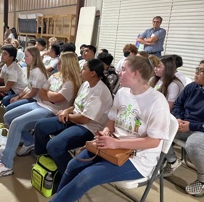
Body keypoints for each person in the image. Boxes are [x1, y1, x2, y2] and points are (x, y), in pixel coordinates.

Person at [51, 56, 171, 202]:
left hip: (138, 159)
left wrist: (117, 143)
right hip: (111, 146)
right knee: (73, 165)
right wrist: (107, 132)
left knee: (87, 176)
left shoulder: (157, 101)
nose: (119, 72)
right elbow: (112, 120)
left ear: (136, 73)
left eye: (124, 69)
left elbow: (153, 142)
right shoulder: (122, 92)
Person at [0, 52, 82, 180]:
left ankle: (6, 164)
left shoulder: (70, 83)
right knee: (8, 116)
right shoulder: (55, 76)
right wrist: (48, 94)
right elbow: (42, 93)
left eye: (60, 63)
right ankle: (29, 141)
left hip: (51, 110)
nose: (57, 64)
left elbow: (57, 99)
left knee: (16, 123)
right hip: (40, 104)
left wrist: (48, 94)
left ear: (68, 64)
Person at [34, 59, 113, 174]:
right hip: (74, 118)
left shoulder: (99, 91)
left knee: (54, 145)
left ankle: (71, 174)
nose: (80, 71)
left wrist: (68, 115)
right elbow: (76, 106)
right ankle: (47, 157)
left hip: (89, 128)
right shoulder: (86, 84)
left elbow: (84, 119)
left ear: (93, 73)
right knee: (40, 126)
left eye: (84, 68)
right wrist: (66, 110)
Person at [163, 60, 204, 196]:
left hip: (199, 130)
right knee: (160, 128)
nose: (196, 73)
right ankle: (172, 160)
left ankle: (202, 179)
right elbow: (178, 105)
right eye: (197, 69)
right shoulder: (192, 87)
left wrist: (191, 126)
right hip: (184, 125)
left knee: (193, 145)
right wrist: (178, 119)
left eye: (201, 71)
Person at [0, 45, 27, 118]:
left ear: (11, 57)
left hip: (17, 92)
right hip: (9, 90)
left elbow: (6, 88)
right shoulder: (5, 66)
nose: (2, 56)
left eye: (5, 54)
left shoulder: (14, 69)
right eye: (2, 53)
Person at [6, 46, 49, 111]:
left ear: (34, 57)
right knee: (7, 100)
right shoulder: (31, 69)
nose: (24, 58)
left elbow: (33, 92)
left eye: (26, 56)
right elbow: (28, 87)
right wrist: (18, 96)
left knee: (10, 106)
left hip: (36, 99)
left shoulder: (37, 71)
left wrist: (20, 99)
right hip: (31, 95)